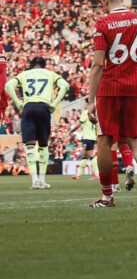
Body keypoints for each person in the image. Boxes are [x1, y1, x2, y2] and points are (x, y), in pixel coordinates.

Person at [87, 0, 137, 208]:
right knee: (136, 139)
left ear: (105, 0)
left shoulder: (104, 23)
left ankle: (107, 197)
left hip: (110, 89)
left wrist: (90, 100)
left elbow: (97, 64)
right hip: (135, 87)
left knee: (105, 140)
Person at [4, 56, 70, 189]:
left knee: (29, 146)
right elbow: (65, 86)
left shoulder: (24, 74)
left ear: (31, 65)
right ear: (44, 65)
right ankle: (42, 180)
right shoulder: (50, 74)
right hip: (44, 107)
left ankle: (34, 181)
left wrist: (18, 103)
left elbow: (8, 85)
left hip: (28, 107)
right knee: (43, 145)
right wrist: (55, 103)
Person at [72, 108, 99, 180]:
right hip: (91, 138)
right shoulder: (96, 113)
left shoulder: (86, 112)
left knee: (88, 156)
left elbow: (78, 125)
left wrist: (71, 131)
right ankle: (78, 175)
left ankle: (97, 174)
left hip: (87, 138)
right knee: (85, 156)